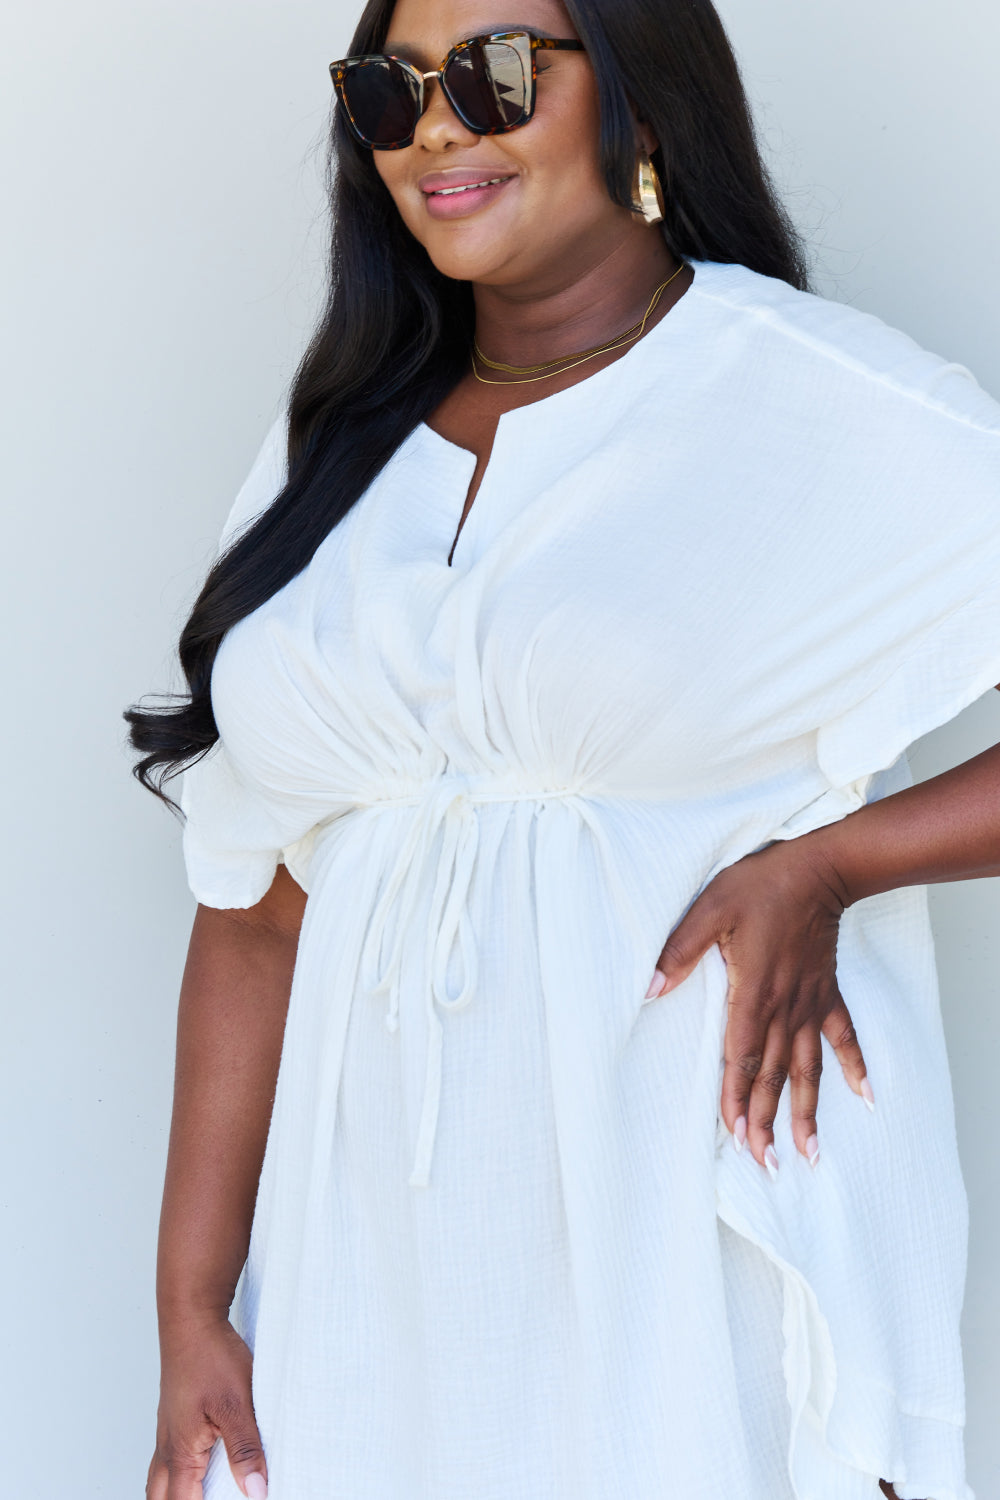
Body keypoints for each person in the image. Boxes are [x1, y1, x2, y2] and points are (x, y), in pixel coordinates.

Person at [127, 1, 1000, 1497]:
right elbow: (258, 914)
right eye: (390, 92)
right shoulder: (325, 452)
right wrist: (192, 1310)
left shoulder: (818, 405)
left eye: (496, 71)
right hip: (373, 1283)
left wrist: (835, 865)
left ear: (644, 102)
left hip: (690, 1239)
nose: (439, 127)